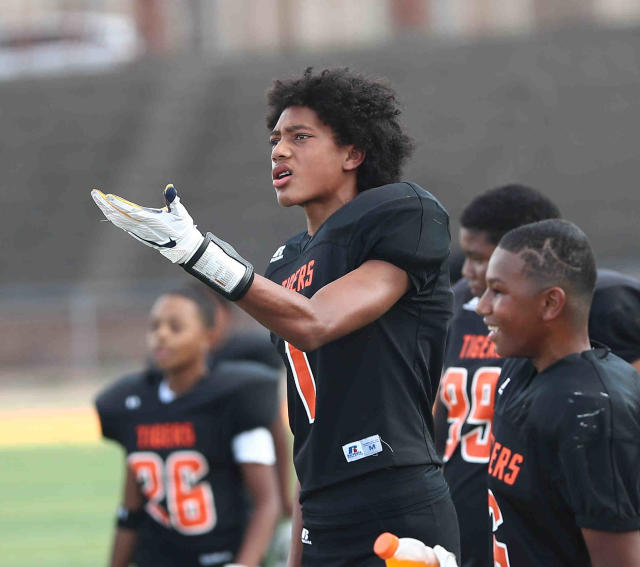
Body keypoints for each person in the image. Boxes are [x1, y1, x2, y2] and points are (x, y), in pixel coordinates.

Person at [91, 67, 460, 567]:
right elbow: (309, 425)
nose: (279, 151)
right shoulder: (286, 262)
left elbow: (314, 323)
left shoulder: (403, 212)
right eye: (276, 139)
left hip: (393, 492)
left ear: (354, 152)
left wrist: (201, 256)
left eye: (300, 137)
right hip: (322, 507)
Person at [432, 184, 640, 567]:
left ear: (550, 302)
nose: (482, 306)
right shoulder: (517, 368)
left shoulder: (592, 406)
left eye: (498, 291)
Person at [95, 286, 282, 567]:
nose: (162, 334)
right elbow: (130, 511)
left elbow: (267, 501)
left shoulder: (234, 398)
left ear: (209, 335)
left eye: (176, 327)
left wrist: (245, 564)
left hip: (221, 556)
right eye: (154, 326)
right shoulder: (132, 403)